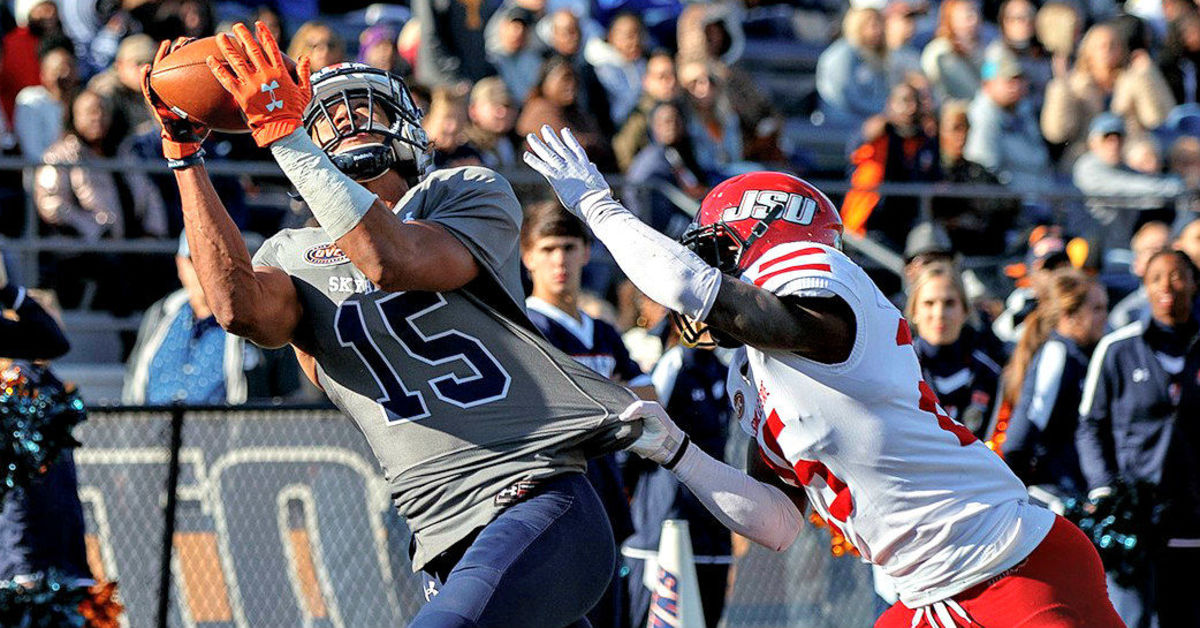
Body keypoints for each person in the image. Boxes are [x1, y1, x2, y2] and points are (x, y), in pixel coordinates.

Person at [524, 126, 1123, 627]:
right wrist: (678, 452)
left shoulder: (820, 277)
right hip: (928, 597)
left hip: (1017, 567)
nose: (705, 271)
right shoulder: (749, 373)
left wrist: (598, 208)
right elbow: (778, 523)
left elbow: (690, 285)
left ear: (764, 237)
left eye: (717, 252)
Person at [145, 24, 641, 627]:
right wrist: (184, 156)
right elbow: (236, 308)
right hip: (438, 537)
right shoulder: (291, 252)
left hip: (534, 497)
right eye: (330, 117)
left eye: (366, 109)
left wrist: (286, 137)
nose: (352, 123)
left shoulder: (464, 193)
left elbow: (392, 259)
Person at [519, 201, 654, 628]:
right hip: (553, 494)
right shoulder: (525, 327)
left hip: (608, 489)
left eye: (569, 247)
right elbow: (555, 406)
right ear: (527, 256)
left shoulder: (601, 331)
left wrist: (595, 401)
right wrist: (613, 398)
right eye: (548, 248)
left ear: (585, 252)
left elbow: (648, 397)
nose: (559, 260)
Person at [1077, 248, 1200, 627]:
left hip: (1191, 515)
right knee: (1129, 617)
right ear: (1143, 286)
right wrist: (1103, 488)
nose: (1168, 286)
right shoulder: (1117, 349)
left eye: (1178, 275)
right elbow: (1089, 425)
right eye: (1156, 277)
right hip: (1134, 518)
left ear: (1194, 283)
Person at [622, 322, 732, 628]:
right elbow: (640, 431)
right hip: (663, 525)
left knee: (707, 617)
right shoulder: (674, 365)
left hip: (712, 528)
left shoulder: (727, 372)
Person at [122, 233, 300, 405]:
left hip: (228, 434)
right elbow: (133, 384)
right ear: (180, 265)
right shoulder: (160, 314)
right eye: (195, 260)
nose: (205, 270)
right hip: (154, 433)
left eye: (215, 260)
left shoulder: (260, 318)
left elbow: (291, 397)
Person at [1002, 269, 1107, 497]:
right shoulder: (1056, 354)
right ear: (1070, 315)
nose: (1105, 317)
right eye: (1096, 309)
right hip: (1056, 491)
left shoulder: (1085, 355)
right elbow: (1020, 437)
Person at [907, 263, 1002, 438]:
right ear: (914, 311)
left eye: (949, 303)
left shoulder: (987, 374)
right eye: (929, 303)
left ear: (965, 310)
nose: (940, 313)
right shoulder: (897, 368)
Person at [1109, 220, 1170, 328]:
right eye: (1154, 251)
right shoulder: (1127, 315)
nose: (1163, 258)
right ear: (1137, 263)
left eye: (1167, 249)